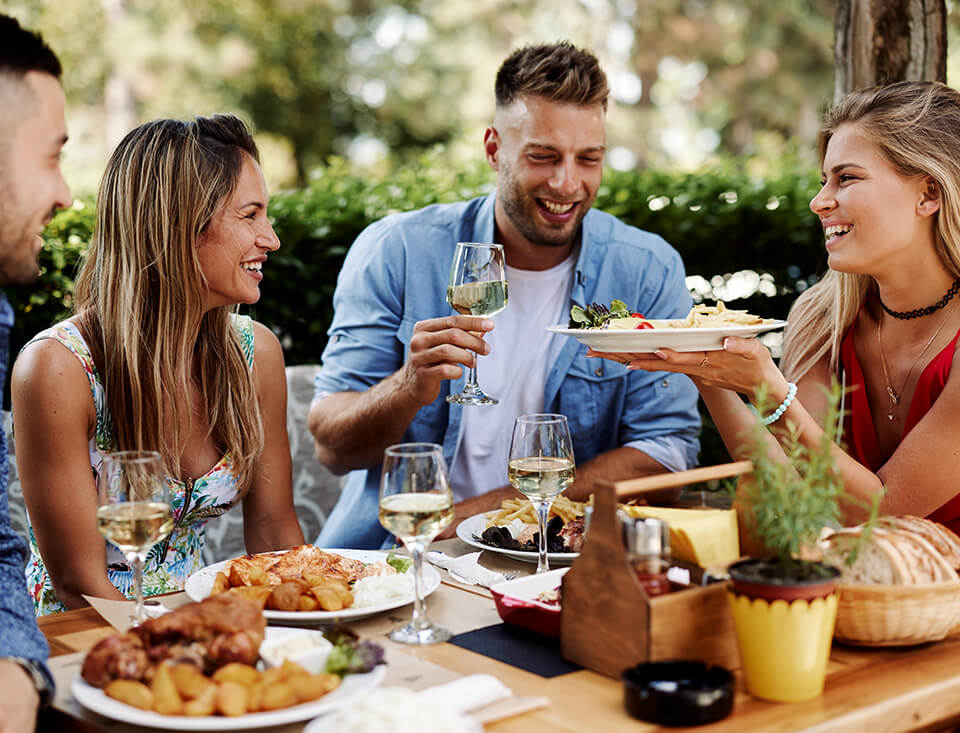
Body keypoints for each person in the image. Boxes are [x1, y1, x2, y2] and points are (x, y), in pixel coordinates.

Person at [308, 41, 701, 549]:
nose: (567, 183)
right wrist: (408, 387)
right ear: (494, 149)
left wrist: (483, 515)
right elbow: (333, 449)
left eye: (588, 159)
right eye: (543, 156)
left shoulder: (646, 269)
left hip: (557, 560)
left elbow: (667, 452)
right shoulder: (398, 250)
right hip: (398, 557)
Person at [592, 81, 960, 535]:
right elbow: (791, 491)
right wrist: (703, 368)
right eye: (823, 181)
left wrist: (767, 387)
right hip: (858, 576)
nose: (819, 202)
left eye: (846, 178)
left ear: (928, 194)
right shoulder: (824, 316)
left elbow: (882, 513)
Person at [12, 113, 305, 616]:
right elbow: (79, 582)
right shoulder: (58, 368)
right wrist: (182, 647)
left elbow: (274, 533)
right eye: (250, 215)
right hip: (86, 637)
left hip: (194, 626)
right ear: (177, 225)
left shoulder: (254, 354)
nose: (271, 239)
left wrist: (314, 635)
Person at [0, 14, 71, 731]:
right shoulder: (51, 361)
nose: (65, 193)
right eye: (51, 157)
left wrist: (16, 673)